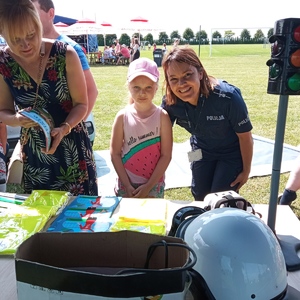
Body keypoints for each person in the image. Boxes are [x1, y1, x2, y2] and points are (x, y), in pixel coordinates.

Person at [0, 0, 98, 195]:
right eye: (16, 39)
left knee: (79, 218)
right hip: (35, 154)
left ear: (38, 25)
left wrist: (64, 128)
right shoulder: (4, 63)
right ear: (3, 35)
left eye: (31, 35)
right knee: (42, 218)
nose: (26, 45)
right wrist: (16, 120)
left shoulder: (66, 54)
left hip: (73, 148)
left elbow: (81, 104)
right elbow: (3, 111)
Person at [161, 46, 253, 201]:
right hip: (199, 149)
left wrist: (246, 171)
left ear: (200, 73)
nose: (181, 84)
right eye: (174, 79)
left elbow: (246, 137)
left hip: (230, 153)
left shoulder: (228, 97)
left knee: (220, 197)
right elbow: (158, 134)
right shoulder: (170, 102)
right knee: (199, 193)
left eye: (187, 75)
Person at [110, 58, 173, 198]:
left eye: (148, 88)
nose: (142, 93)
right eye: (136, 88)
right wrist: (126, 185)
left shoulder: (163, 117)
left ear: (156, 88)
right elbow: (115, 154)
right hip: (125, 184)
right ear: (128, 87)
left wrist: (149, 186)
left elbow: (166, 155)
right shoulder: (122, 117)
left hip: (154, 184)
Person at [32, 0, 98, 122]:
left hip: (67, 131)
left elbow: (92, 91)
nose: (30, 18)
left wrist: (74, 127)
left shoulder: (70, 48)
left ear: (51, 13)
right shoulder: (28, 49)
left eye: (34, 12)